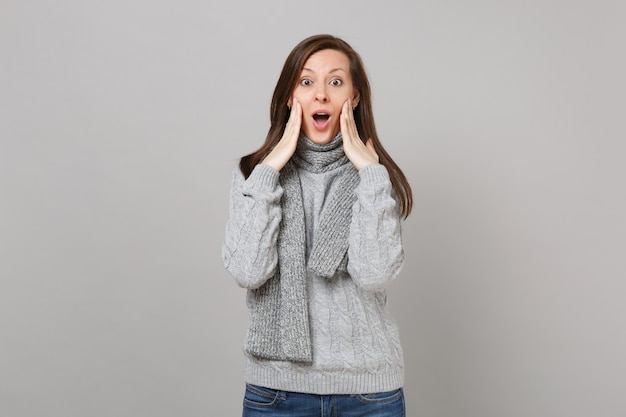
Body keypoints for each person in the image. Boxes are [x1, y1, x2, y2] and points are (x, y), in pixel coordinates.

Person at [222, 34, 413, 417]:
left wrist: (372, 177)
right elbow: (247, 270)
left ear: (354, 98)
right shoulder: (253, 176)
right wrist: (269, 171)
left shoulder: (376, 179)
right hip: (276, 393)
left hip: (369, 394)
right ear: (290, 96)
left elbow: (374, 274)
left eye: (336, 81)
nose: (321, 95)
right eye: (307, 82)